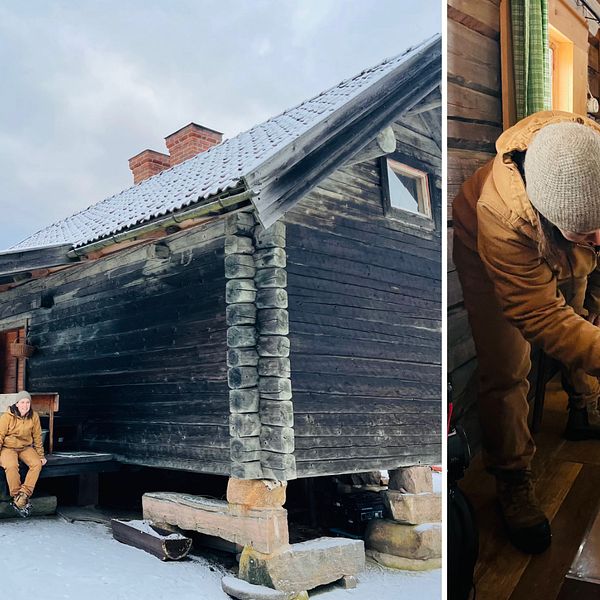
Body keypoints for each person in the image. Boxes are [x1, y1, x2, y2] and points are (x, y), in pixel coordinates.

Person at [453, 110, 600, 555]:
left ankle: (584, 407)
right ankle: (513, 478)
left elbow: (572, 318)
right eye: (590, 233)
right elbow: (542, 318)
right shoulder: (499, 215)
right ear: (554, 223)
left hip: (560, 237)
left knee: (582, 313)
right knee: (506, 366)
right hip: (487, 250)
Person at [0, 390, 47, 515]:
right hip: (7, 448)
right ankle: (17, 497)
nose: (25, 405)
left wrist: (41, 455)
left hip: (25, 447)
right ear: (17, 403)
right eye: (22, 402)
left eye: (27, 402)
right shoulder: (6, 417)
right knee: (11, 466)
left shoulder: (34, 416)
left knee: (37, 464)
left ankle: (24, 493)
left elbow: (37, 437)